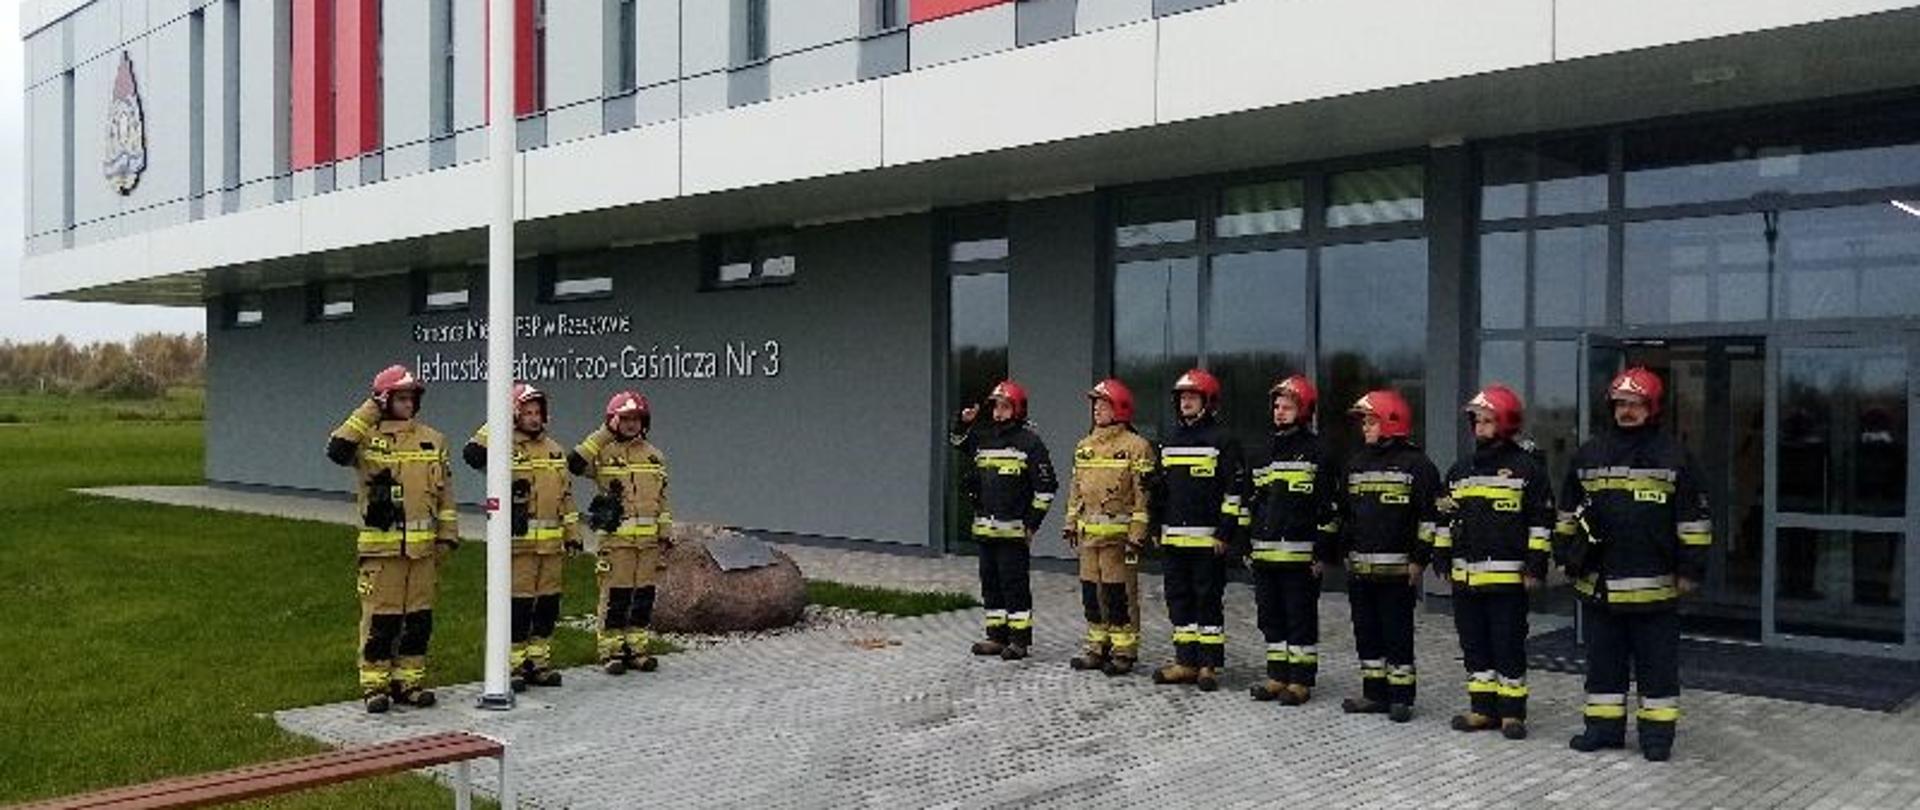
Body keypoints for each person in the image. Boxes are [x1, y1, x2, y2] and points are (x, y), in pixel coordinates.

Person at [1558, 367, 1711, 762]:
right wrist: (1564, 554)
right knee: (1603, 666)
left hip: (1656, 586)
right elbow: (1566, 514)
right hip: (1600, 583)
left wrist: (1691, 569)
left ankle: (1656, 739)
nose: (1626, 411)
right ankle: (1602, 730)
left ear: (1652, 407)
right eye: (1620, 404)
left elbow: (1693, 522)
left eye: (1635, 404)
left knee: (1657, 669)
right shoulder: (1588, 454)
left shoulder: (1675, 456)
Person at [325, 365, 460, 714]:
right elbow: (337, 449)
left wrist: (447, 537)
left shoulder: (434, 439)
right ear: (385, 400)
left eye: (411, 397)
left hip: (423, 552)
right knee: (381, 621)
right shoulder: (366, 438)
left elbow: (445, 496)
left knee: (418, 619)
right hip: (381, 551)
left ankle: (409, 682)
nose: (408, 404)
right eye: (400, 397)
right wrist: (370, 408)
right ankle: (375, 685)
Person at [1436, 385, 1552, 739]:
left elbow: (1541, 522)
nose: (1480, 428)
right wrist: (1442, 554)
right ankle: (1481, 709)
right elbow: (1444, 516)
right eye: (1477, 421)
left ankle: (1512, 713)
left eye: (1488, 421)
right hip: (1466, 579)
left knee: (1508, 643)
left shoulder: (1527, 470)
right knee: (1474, 644)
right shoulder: (1459, 470)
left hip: (1508, 580)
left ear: (1506, 424)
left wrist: (1535, 566)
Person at [463, 382, 583, 691]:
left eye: (537, 412)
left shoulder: (556, 450)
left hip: (551, 547)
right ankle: (512, 666)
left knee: (546, 605)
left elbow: (566, 498)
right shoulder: (501, 446)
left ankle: (538, 663)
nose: (533, 418)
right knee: (518, 606)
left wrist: (573, 534)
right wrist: (499, 418)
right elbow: (472, 454)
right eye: (526, 412)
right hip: (518, 547)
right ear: (514, 415)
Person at [1336, 389, 1440, 723]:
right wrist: (1343, 550)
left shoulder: (1418, 466)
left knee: (1397, 633)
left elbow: (1429, 519)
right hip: (1361, 570)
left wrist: (1419, 560)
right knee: (1366, 633)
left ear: (1391, 421)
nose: (1365, 428)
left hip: (1397, 572)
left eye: (1371, 421)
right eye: (1364, 422)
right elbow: (1347, 515)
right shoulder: (1356, 464)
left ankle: (1401, 698)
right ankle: (1373, 694)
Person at [1149, 369, 1246, 692]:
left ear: (1208, 402)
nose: (1186, 402)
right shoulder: (1169, 440)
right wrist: (1154, 524)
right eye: (1182, 398)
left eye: (1192, 397)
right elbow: (1159, 490)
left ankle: (1208, 665)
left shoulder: (1223, 441)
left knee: (1207, 600)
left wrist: (1225, 533)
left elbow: (1235, 492)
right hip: (1174, 537)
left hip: (1208, 540)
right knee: (1179, 600)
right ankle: (1185, 662)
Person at [1245, 375, 1339, 706]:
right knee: (1270, 617)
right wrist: (1247, 544)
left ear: (1304, 411)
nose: (1279, 412)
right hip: (1265, 555)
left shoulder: (1319, 453)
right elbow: (1251, 502)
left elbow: (1330, 509)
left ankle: (1300, 680)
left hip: (1301, 557)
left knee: (1299, 617)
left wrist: (1322, 553)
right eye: (1277, 406)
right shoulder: (1262, 452)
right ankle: (1277, 675)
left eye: (1287, 407)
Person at [950, 381, 1058, 661]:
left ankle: (1019, 640)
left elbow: (1046, 488)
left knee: (1014, 585)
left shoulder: (1030, 443)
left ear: (1018, 410)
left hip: (1014, 534)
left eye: (1005, 406)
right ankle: (996, 636)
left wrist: (1032, 524)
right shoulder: (984, 438)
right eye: (996, 406)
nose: (998, 412)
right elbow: (957, 442)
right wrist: (963, 422)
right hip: (985, 531)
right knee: (990, 584)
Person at [570, 391, 673, 675]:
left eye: (636, 419)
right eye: (625, 419)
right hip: (617, 542)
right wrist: (604, 433)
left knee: (643, 596)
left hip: (648, 544)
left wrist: (664, 532)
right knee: (616, 596)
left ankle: (637, 649)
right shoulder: (602, 453)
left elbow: (662, 500)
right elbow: (574, 464)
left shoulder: (655, 456)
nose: (631, 424)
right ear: (613, 420)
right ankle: (611, 652)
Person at [1062, 379, 1155, 676]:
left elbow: (1144, 497)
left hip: (1120, 541)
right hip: (1090, 538)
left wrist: (1137, 536)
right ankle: (1096, 647)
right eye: (1095, 405)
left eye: (1104, 405)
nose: (1097, 410)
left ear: (1120, 409)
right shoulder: (1084, 446)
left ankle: (1124, 651)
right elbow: (1075, 490)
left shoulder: (1137, 447)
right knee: (1092, 594)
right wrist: (1070, 524)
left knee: (1120, 595)